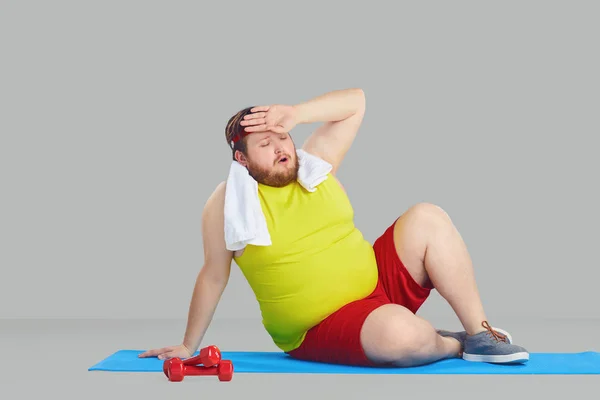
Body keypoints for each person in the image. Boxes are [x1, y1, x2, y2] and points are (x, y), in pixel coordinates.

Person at [139, 88, 529, 367]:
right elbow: (212, 276)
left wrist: (294, 113)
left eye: (282, 137)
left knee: (427, 216)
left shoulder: (315, 166)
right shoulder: (226, 204)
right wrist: (189, 345)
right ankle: (450, 344)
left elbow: (356, 102)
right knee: (400, 337)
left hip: (379, 288)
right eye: (265, 144)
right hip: (320, 327)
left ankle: (479, 334)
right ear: (241, 159)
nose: (280, 148)